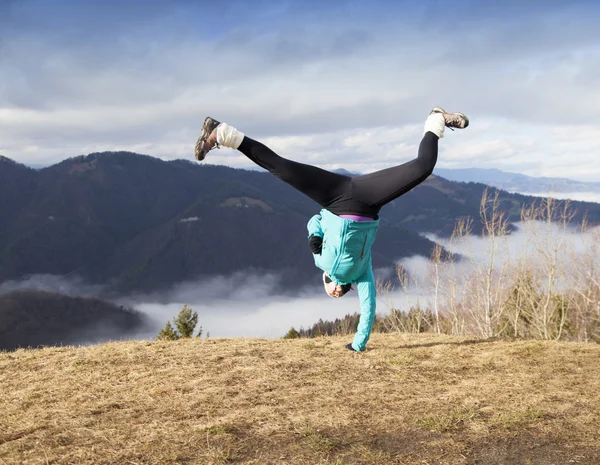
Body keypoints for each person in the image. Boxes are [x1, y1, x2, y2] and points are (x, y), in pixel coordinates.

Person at [194, 107, 469, 352]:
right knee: (423, 167)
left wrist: (313, 236)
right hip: (367, 201)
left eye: (331, 291)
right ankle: (436, 120)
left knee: (283, 169)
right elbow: (369, 309)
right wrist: (358, 344)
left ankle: (221, 133)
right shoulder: (362, 273)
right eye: (341, 293)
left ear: (326, 280)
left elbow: (317, 219)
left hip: (334, 199)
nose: (337, 292)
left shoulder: (319, 259)